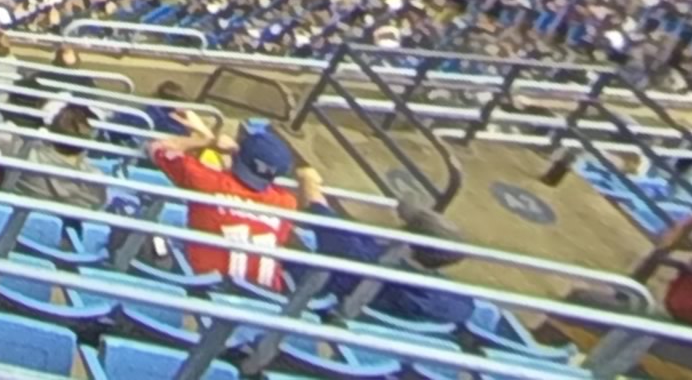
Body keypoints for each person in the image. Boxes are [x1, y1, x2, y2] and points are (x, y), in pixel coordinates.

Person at [148, 110, 303, 287]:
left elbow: (157, 148)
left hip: (202, 288)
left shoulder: (206, 181)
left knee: (154, 236)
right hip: (264, 302)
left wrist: (206, 140)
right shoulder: (287, 203)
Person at [298, 176, 472, 327]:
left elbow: (316, 209)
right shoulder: (459, 304)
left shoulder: (356, 250)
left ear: (407, 243)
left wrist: (309, 178)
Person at [8, 104, 121, 210]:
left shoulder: (26, 153)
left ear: (51, 131)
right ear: (89, 140)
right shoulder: (94, 178)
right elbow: (97, 207)